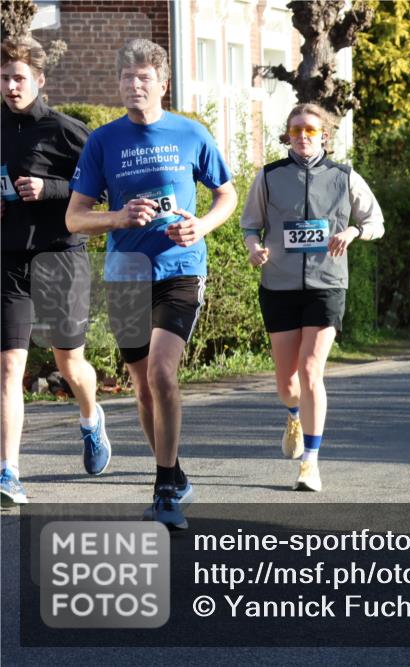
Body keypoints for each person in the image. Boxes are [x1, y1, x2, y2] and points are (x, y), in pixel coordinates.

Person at [66, 38, 237, 530]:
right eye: (126, 77)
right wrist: (118, 217)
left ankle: (164, 489)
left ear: (163, 83)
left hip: (180, 267)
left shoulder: (190, 133)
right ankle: (174, 470)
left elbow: (225, 194)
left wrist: (201, 226)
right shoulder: (103, 141)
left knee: (163, 373)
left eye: (143, 78)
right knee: (142, 388)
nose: (133, 85)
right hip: (126, 274)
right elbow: (75, 219)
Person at [240, 103, 384, 491]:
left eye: (310, 130)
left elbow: (375, 222)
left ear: (325, 135)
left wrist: (353, 233)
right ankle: (294, 416)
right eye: (296, 130)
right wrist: (254, 248)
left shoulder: (344, 176)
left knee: (310, 371)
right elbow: (250, 224)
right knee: (287, 382)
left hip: (327, 284)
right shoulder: (269, 177)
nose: (303, 136)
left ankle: (310, 463)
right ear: (287, 134)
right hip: (279, 285)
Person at [0, 37, 111, 506]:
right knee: (9, 367)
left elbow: (101, 192)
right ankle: (9, 472)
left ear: (40, 81)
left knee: (70, 362)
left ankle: (91, 418)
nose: (10, 86)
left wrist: (49, 188)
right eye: (4, 78)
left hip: (60, 257)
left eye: (19, 78)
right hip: (9, 259)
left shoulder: (69, 131)